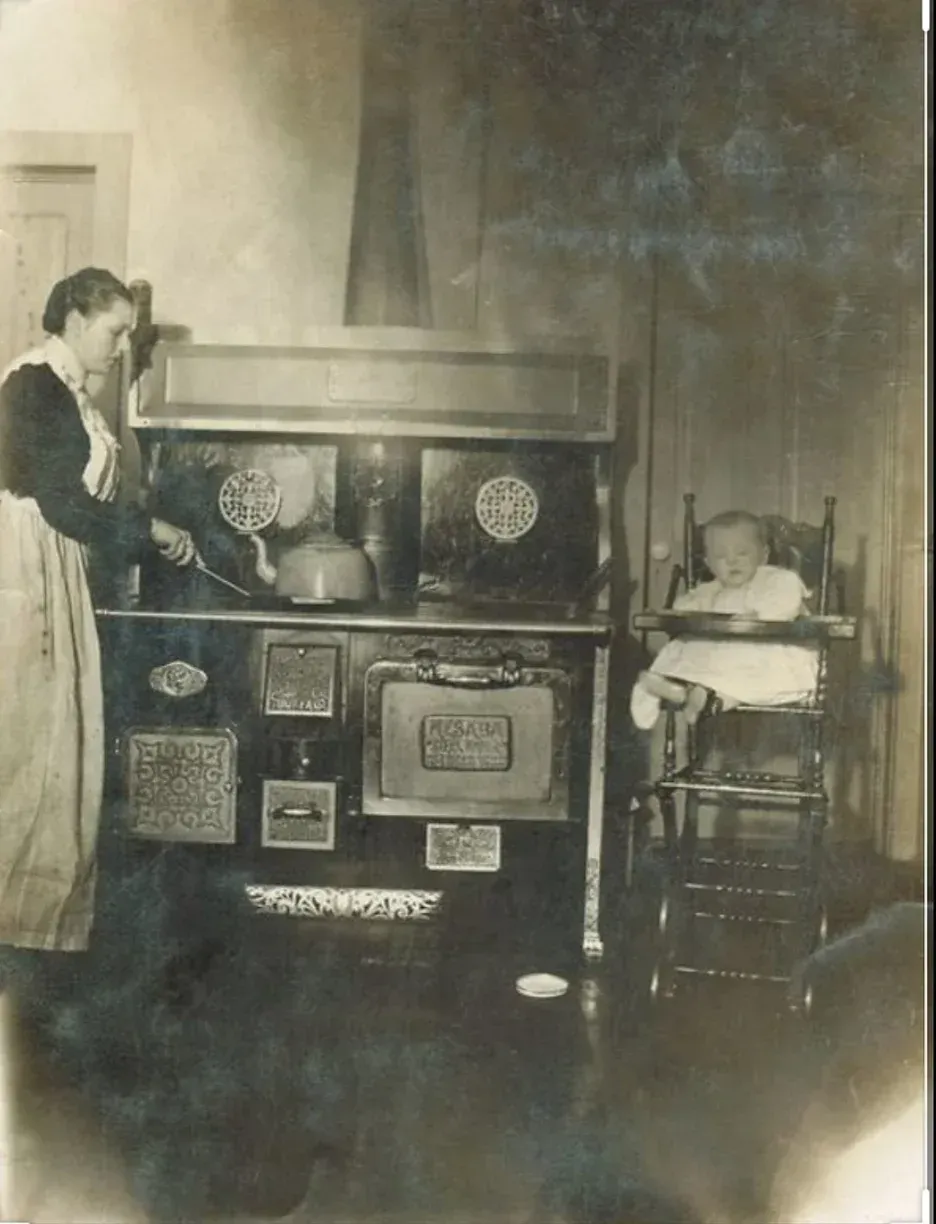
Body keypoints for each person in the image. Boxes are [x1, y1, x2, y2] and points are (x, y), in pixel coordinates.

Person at [0, 267, 196, 953]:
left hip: (54, 570)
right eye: (114, 333)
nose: (120, 348)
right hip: (21, 580)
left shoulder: (69, 392)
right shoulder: (34, 385)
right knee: (26, 748)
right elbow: (63, 502)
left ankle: (31, 930)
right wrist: (148, 531)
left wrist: (145, 524)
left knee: (51, 748)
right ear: (76, 321)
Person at [630, 509, 818, 730]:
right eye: (721, 556)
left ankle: (700, 695)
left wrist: (761, 617)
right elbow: (685, 609)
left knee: (741, 676)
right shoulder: (711, 590)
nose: (731, 561)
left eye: (742, 553)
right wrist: (678, 613)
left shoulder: (776, 580)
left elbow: (786, 602)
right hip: (722, 655)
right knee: (684, 648)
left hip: (766, 651)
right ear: (709, 563)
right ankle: (677, 687)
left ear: (764, 555)